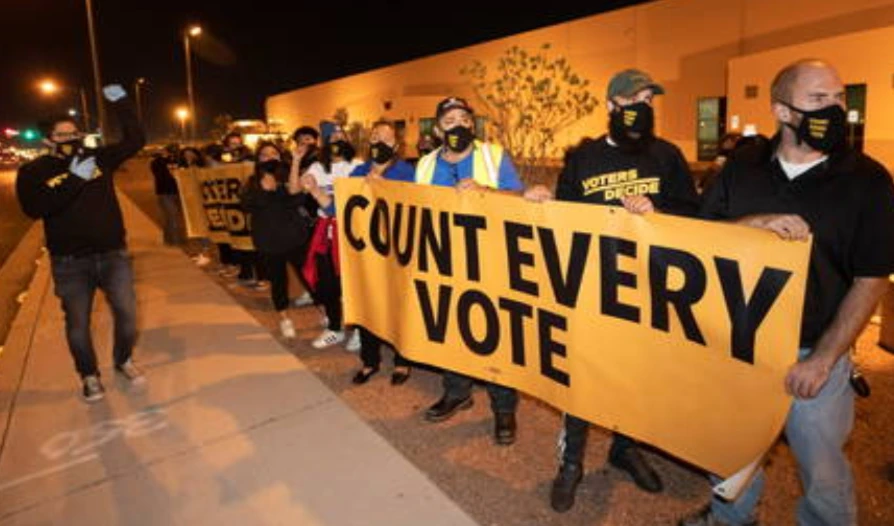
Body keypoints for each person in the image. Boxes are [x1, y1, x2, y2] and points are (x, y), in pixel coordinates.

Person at [678, 59, 894, 526]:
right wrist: (751, 225)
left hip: (814, 353)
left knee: (823, 470)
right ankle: (729, 517)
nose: (836, 109)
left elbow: (872, 277)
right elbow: (701, 238)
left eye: (840, 98)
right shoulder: (743, 167)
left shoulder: (869, 181)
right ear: (782, 110)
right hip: (739, 344)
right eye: (819, 100)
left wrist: (823, 359)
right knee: (732, 449)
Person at [525, 68, 699, 512]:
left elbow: (695, 214)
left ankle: (625, 448)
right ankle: (572, 463)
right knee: (582, 376)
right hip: (589, 287)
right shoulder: (583, 158)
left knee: (635, 374)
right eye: (633, 100)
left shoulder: (667, 156)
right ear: (611, 107)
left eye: (649, 100)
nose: (643, 108)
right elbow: (562, 215)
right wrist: (541, 201)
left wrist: (657, 208)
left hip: (646, 288)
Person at [15, 84, 146, 402]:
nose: (71, 139)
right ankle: (89, 375)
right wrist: (74, 179)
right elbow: (35, 209)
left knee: (128, 316)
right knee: (77, 325)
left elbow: (135, 141)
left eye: (75, 133)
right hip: (70, 263)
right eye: (62, 135)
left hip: (113, 255)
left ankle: (122, 359)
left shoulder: (98, 158)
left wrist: (122, 102)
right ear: (49, 140)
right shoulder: (34, 171)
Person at [415, 96, 523, 445]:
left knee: (495, 334)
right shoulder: (426, 164)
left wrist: (486, 192)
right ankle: (457, 391)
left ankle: (504, 408)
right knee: (450, 326)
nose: (458, 125)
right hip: (445, 259)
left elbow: (520, 201)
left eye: (464, 118)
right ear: (438, 128)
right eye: (450, 120)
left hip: (491, 259)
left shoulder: (493, 156)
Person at [345, 120, 415, 386]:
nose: (379, 143)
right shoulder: (358, 172)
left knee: (398, 305)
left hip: (396, 251)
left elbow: (412, 204)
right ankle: (369, 360)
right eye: (375, 137)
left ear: (395, 146)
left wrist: (381, 185)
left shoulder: (405, 171)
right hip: (366, 252)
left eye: (386, 139)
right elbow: (343, 205)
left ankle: (403, 361)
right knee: (368, 304)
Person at [239, 142, 314, 339]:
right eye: (264, 155)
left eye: (274, 154)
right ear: (258, 160)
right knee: (279, 282)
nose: (270, 158)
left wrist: (296, 161)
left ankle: (326, 315)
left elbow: (297, 198)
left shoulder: (287, 178)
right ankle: (284, 318)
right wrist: (263, 186)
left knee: (309, 277)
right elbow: (247, 206)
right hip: (269, 242)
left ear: (280, 158)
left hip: (295, 239)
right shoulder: (251, 183)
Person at [300, 123, 362, 350]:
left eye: (341, 135)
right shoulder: (318, 166)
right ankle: (335, 327)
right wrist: (305, 178)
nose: (338, 140)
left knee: (353, 282)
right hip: (326, 230)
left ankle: (359, 330)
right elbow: (299, 186)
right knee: (328, 282)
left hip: (352, 230)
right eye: (333, 137)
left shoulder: (357, 165)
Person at [289, 125, 322, 309]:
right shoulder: (294, 160)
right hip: (301, 216)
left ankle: (319, 293)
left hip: (319, 215)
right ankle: (312, 289)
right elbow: (293, 189)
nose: (305, 143)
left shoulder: (321, 160)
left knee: (317, 258)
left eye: (309, 139)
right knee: (303, 257)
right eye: (301, 140)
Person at [149, 143, 186, 246]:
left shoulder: (180, 161)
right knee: (172, 216)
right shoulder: (157, 162)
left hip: (179, 192)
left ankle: (171, 239)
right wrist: (163, 157)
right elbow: (158, 173)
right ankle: (174, 241)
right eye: (172, 151)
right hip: (165, 193)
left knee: (176, 218)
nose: (174, 154)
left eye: (176, 151)